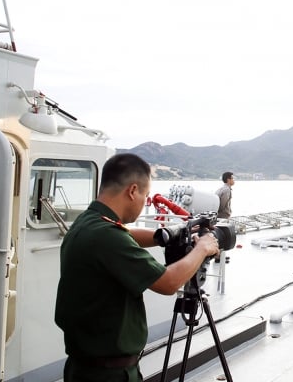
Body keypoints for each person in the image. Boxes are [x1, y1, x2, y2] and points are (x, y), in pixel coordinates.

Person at [54, 153, 219, 382]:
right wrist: (203, 248)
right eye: (145, 195)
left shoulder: (88, 222)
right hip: (108, 375)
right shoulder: (107, 237)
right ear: (132, 191)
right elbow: (168, 283)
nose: (144, 203)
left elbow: (127, 234)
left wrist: (171, 234)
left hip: (85, 367)